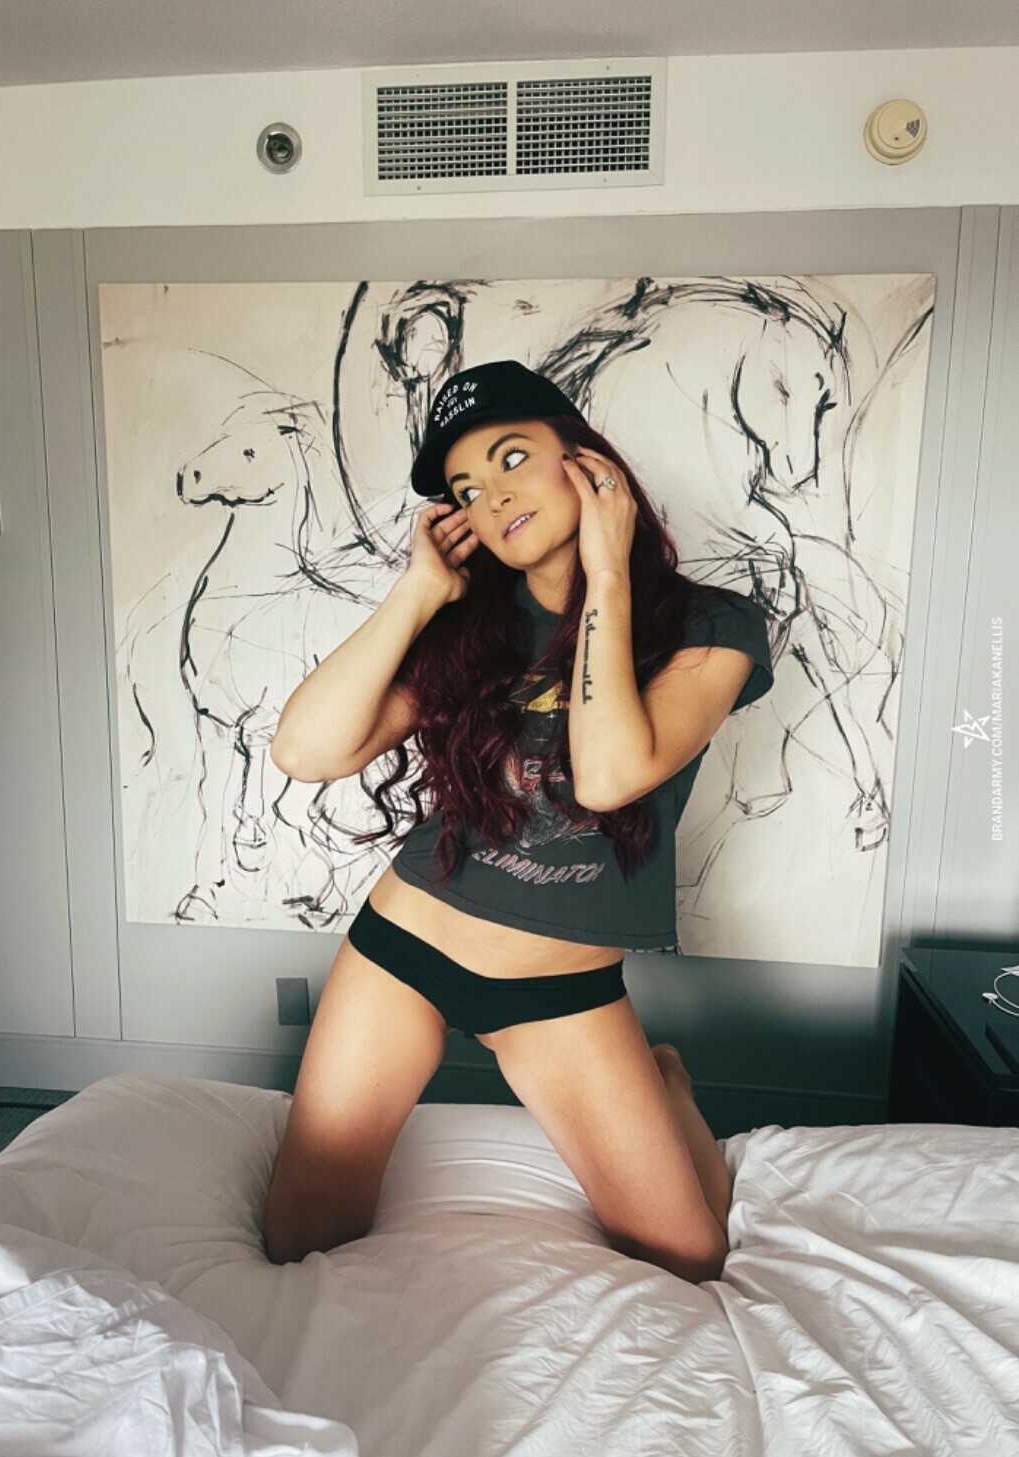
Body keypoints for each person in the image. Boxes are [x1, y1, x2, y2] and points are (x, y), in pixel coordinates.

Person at [262, 360, 774, 1285]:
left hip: (557, 989)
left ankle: (663, 1078)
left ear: (584, 460)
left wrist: (607, 571)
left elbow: (610, 775)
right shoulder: (472, 630)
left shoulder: (711, 626)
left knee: (689, 1255)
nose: (492, 497)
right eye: (466, 488)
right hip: (407, 948)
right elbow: (305, 750)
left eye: (510, 458)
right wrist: (419, 590)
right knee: (300, 1237)